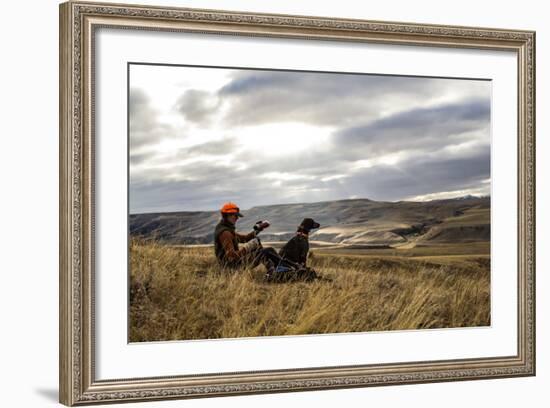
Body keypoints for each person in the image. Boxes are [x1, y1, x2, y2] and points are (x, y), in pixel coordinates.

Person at [213, 202, 282, 273]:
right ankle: (282, 269)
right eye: (235, 215)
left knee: (264, 251)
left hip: (233, 265)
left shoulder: (227, 229)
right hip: (232, 268)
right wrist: (247, 248)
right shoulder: (225, 233)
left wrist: (257, 230)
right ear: (226, 215)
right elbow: (231, 257)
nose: (237, 218)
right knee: (267, 251)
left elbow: (245, 238)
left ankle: (274, 270)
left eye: (237, 216)